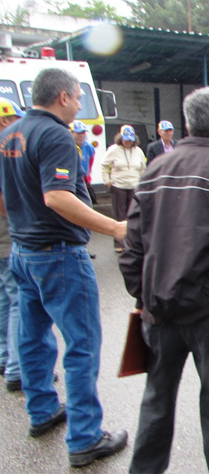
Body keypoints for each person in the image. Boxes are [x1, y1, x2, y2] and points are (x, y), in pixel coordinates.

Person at [119, 86, 209, 473]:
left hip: (159, 314)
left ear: (186, 124)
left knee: (156, 404)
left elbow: (131, 245)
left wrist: (144, 293)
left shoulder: (154, 170)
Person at [0, 68, 127, 468]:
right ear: (62, 97)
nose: (78, 105)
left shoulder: (10, 134)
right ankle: (86, 437)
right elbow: (57, 197)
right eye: (77, 98)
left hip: (23, 251)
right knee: (81, 344)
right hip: (57, 254)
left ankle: (42, 412)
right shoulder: (55, 134)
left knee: (34, 337)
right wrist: (114, 227)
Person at [0, 98, 24, 391]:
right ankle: (18, 369)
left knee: (4, 299)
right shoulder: (5, 147)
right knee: (18, 301)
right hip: (6, 237)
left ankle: (5, 357)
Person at [101, 124, 147, 252]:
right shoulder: (113, 150)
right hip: (118, 186)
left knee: (133, 215)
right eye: (126, 139)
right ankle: (119, 243)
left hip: (134, 185)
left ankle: (132, 242)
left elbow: (143, 169)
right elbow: (104, 165)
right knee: (119, 215)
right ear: (120, 138)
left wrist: (142, 183)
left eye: (130, 139)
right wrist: (107, 180)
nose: (128, 141)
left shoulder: (138, 151)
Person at [70, 120, 97, 203]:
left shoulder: (89, 148)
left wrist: (88, 180)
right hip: (70, 182)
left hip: (83, 182)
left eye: (83, 133)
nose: (81, 136)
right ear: (71, 133)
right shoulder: (66, 146)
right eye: (78, 133)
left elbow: (90, 165)